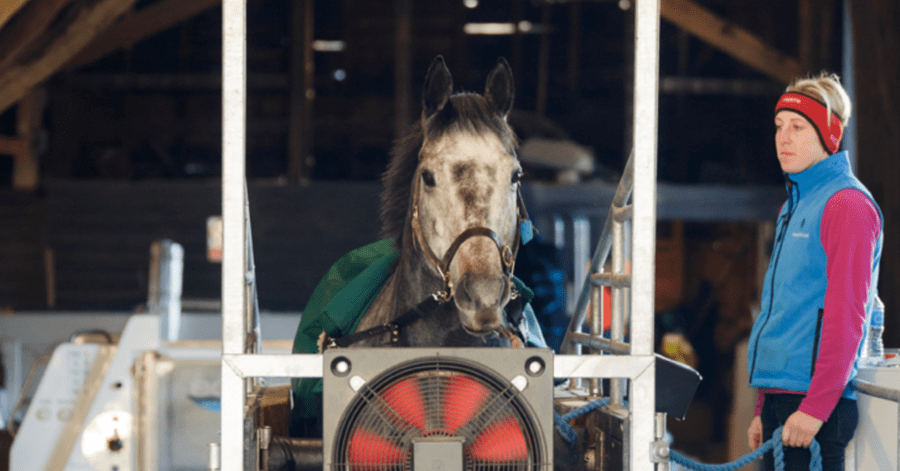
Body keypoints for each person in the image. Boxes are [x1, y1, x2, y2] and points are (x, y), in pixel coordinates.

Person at [746, 72, 883, 470]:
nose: (783, 138)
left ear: (830, 135)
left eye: (798, 127)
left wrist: (817, 407)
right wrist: (763, 404)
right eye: (778, 126)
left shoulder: (847, 205)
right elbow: (783, 310)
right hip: (782, 400)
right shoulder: (793, 205)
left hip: (813, 409)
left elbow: (847, 316)